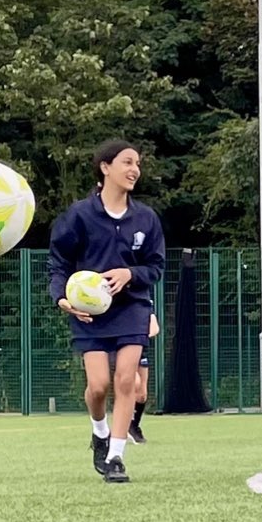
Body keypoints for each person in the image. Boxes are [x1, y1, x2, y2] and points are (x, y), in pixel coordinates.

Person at [48, 141, 166, 483]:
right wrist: (62, 298)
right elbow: (58, 264)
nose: (134, 170)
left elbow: (156, 266)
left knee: (126, 379)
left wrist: (131, 274)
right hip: (90, 314)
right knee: (98, 386)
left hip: (133, 307)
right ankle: (99, 432)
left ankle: (116, 457)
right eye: (127, 162)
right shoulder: (79, 216)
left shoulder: (146, 218)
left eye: (138, 164)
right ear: (105, 167)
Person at [128, 311, 159, 445]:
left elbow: (154, 327)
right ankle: (120, 425)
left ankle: (133, 426)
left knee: (142, 395)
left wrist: (141, 336)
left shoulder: (143, 304)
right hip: (122, 348)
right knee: (134, 383)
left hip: (140, 348)